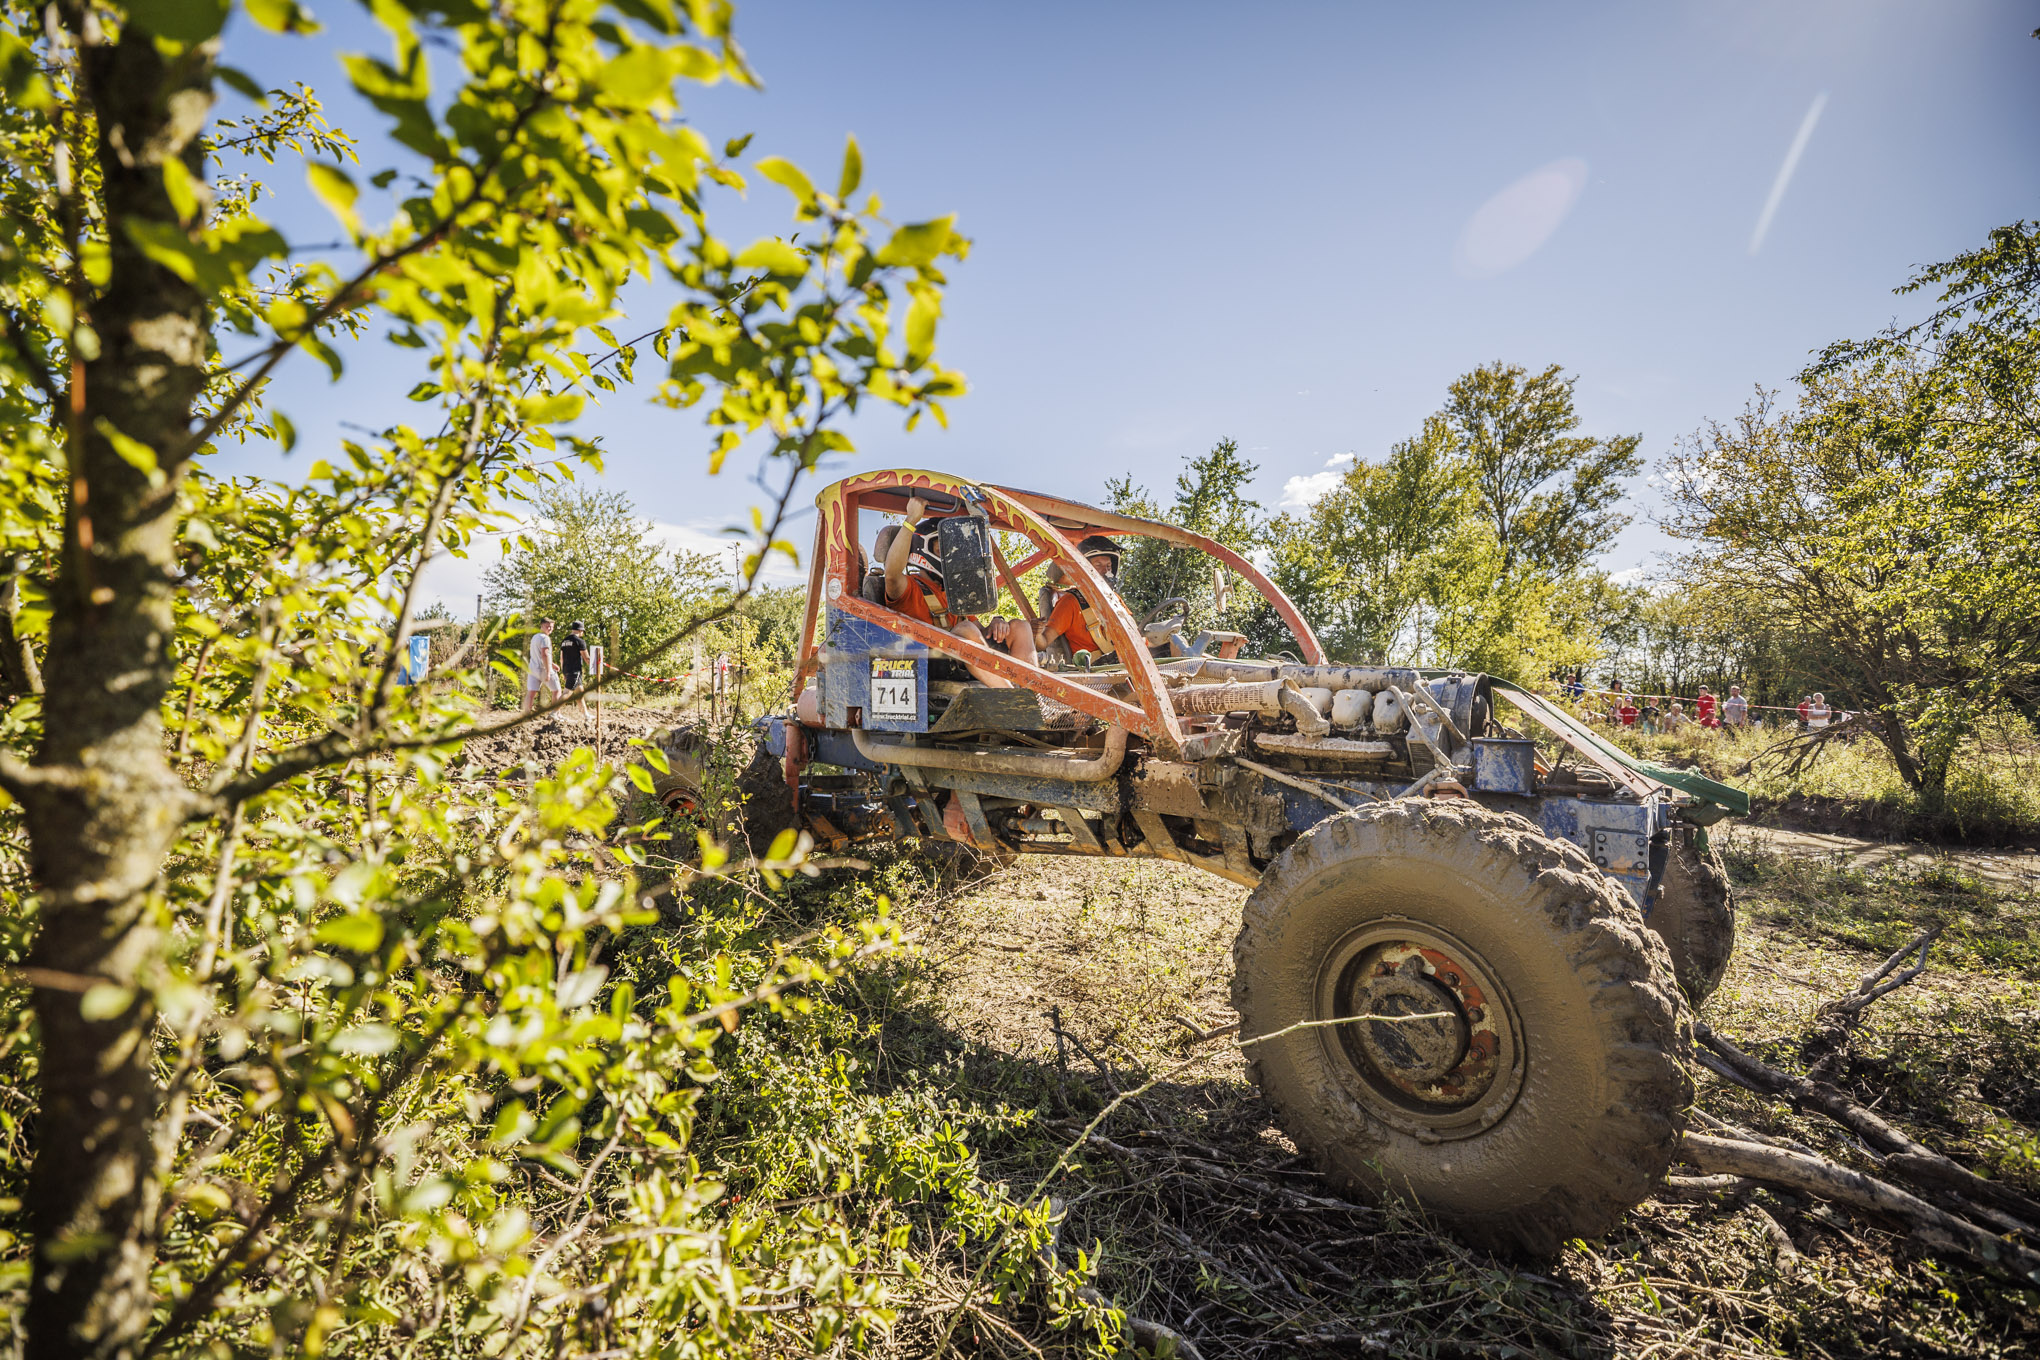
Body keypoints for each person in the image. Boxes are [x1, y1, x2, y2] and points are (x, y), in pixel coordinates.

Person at [876, 497, 1034, 686]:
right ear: (922, 549)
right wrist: (911, 520)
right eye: (942, 549)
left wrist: (996, 624)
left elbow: (978, 632)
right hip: (928, 660)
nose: (952, 556)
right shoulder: (908, 587)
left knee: (1020, 627)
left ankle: (1033, 692)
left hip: (960, 658)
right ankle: (1014, 698)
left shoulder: (955, 590)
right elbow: (891, 575)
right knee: (966, 629)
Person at [1035, 535, 1124, 663]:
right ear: (1084, 570)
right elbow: (1043, 643)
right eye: (1098, 565)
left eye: (1108, 566)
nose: (1105, 571)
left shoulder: (1115, 600)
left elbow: (1134, 633)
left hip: (1122, 663)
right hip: (1092, 670)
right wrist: (1036, 633)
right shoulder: (1070, 602)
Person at [523, 618, 558, 713]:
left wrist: (552, 664)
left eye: (552, 627)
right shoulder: (545, 638)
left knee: (531, 693)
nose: (550, 628)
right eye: (547, 626)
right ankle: (554, 713)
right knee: (557, 691)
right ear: (541, 626)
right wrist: (548, 671)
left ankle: (526, 715)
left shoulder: (535, 637)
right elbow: (544, 654)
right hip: (543, 669)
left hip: (533, 669)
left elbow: (539, 654)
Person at [559, 621, 590, 718]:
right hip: (575, 671)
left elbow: (561, 658)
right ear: (580, 630)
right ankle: (554, 712)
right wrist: (596, 666)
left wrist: (564, 672)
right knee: (567, 693)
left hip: (567, 669)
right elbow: (587, 659)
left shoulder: (564, 641)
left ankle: (586, 714)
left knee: (580, 694)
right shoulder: (580, 641)